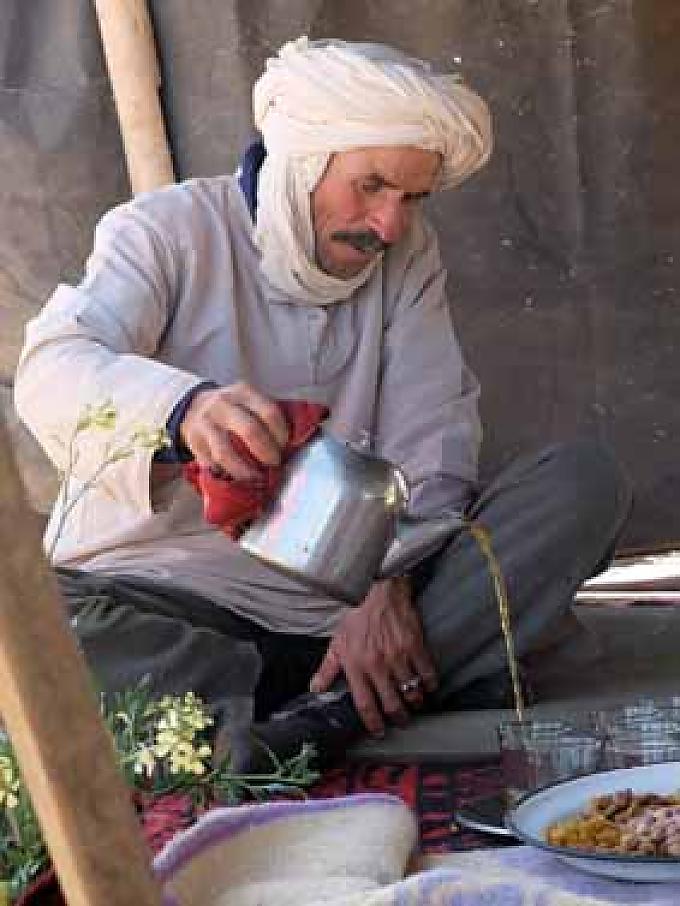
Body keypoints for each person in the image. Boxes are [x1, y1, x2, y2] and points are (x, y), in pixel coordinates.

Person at [14, 37, 630, 772]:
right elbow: (53, 364)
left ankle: (298, 718)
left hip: (351, 615)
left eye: (412, 198)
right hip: (165, 602)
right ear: (304, 160)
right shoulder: (166, 231)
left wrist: (389, 582)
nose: (389, 225)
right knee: (36, 629)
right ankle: (359, 702)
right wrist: (184, 411)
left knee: (580, 483)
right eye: (371, 186)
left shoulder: (406, 257)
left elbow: (432, 441)